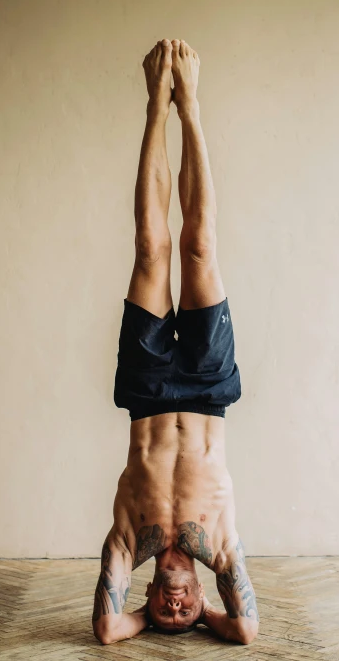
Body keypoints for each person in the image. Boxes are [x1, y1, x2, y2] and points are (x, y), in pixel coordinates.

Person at [92, 39, 259, 645]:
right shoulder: (219, 547)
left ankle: (154, 112)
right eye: (185, 611)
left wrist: (148, 624)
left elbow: (109, 629)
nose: (176, 607)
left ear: (151, 598)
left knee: (150, 247)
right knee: (199, 248)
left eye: (166, 612)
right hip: (208, 390)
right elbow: (245, 629)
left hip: (145, 393)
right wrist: (204, 623)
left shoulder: (130, 541)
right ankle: (189, 107)